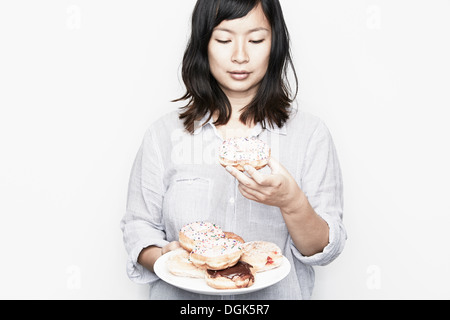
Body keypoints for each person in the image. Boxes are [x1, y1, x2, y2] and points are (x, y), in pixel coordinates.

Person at [120, 0, 346, 300]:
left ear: (274, 44)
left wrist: (291, 202)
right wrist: (166, 255)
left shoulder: (310, 135)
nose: (240, 56)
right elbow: (139, 226)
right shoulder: (164, 135)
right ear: (204, 44)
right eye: (224, 39)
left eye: (255, 40)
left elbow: (321, 250)